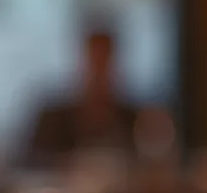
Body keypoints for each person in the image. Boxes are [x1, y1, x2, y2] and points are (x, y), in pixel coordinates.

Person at [23, 23, 139, 167]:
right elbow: (29, 162)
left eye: (104, 60)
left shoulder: (133, 119)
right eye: (93, 59)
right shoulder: (53, 119)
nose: (98, 70)